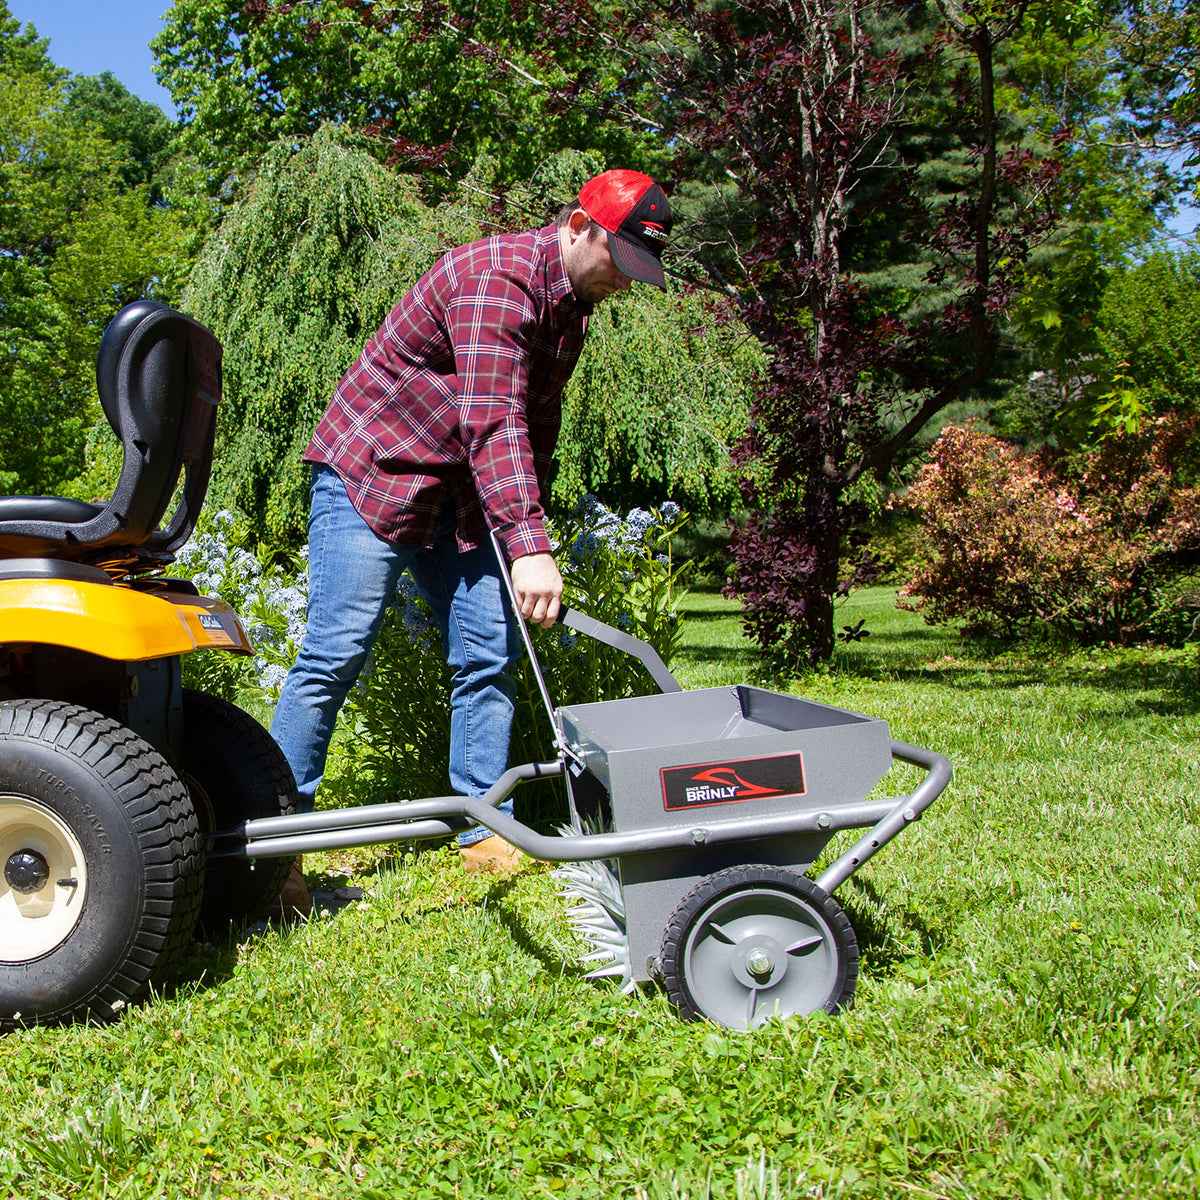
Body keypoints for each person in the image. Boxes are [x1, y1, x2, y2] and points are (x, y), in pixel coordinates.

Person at [268, 169, 673, 914]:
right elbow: (494, 421)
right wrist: (530, 545)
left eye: (637, 269)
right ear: (579, 224)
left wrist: (520, 526)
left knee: (488, 649)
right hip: (373, 475)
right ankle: (274, 851)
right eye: (619, 258)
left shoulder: (572, 305)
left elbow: (534, 430)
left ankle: (484, 826)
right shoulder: (499, 281)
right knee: (335, 652)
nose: (623, 280)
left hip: (459, 497)